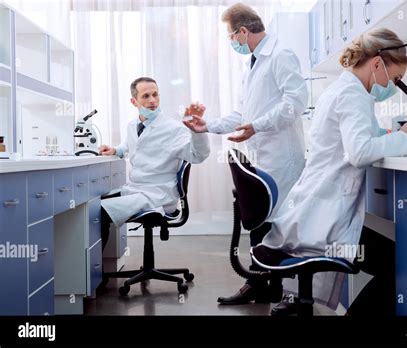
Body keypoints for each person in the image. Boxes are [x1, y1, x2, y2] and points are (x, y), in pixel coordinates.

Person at [251, 28, 407, 316]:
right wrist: (406, 138)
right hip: (323, 222)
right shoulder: (353, 95)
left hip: (314, 210)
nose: (395, 87)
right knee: (403, 262)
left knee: (395, 258)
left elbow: (359, 137)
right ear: (376, 64)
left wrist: (394, 134)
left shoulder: (342, 89)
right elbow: (358, 151)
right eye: (395, 79)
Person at [183, 3, 308, 305]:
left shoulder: (280, 55)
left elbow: (297, 102)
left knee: (274, 224)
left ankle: (271, 287)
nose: (232, 42)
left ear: (242, 31)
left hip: (281, 157)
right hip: (263, 154)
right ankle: (262, 284)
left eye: (231, 36)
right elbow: (243, 113)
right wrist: (207, 125)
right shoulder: (254, 63)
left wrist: (257, 126)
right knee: (261, 221)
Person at [98, 77, 210, 248]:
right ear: (134, 101)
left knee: (99, 212)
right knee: (93, 205)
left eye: (155, 95)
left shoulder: (173, 128)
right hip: (136, 189)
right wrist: (116, 150)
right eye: (146, 96)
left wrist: (197, 132)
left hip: (158, 194)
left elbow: (198, 155)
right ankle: (96, 269)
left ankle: (95, 272)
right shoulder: (133, 125)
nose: (152, 101)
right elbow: (130, 144)